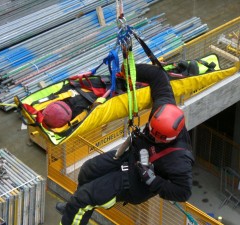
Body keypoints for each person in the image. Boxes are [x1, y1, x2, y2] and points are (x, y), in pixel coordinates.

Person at [56, 63, 195, 225]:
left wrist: (152, 180)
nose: (154, 139)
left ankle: (76, 207)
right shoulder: (164, 106)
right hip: (132, 156)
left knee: (84, 198)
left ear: (170, 138)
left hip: (136, 182)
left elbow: (183, 192)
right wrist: (129, 69)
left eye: (159, 139)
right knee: (88, 170)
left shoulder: (178, 160)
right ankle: (73, 209)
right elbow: (158, 76)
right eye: (152, 132)